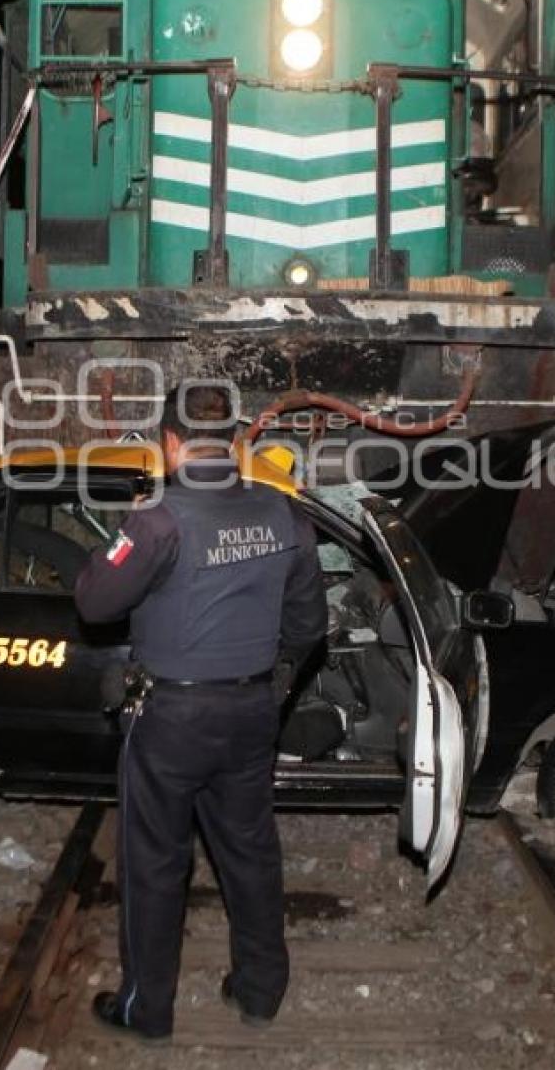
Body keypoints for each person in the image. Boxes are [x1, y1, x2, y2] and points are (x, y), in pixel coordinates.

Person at [74, 382, 327, 1045]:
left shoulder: (157, 518)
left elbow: (95, 602)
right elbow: (309, 623)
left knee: (155, 862)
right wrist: (271, 684)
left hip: (171, 718)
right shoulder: (283, 513)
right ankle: (259, 991)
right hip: (249, 713)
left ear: (170, 442)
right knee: (251, 853)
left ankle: (146, 1009)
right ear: (238, 440)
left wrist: (122, 532)